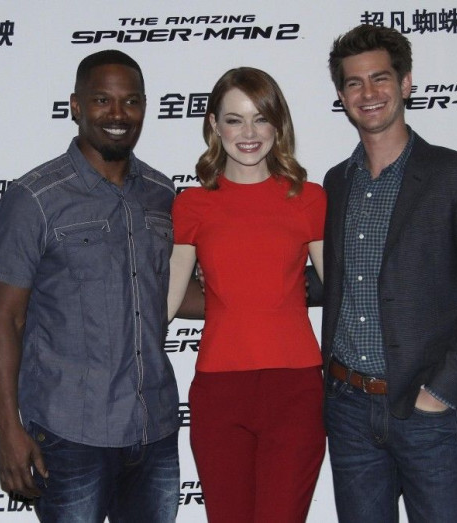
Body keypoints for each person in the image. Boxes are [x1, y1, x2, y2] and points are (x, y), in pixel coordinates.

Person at [319, 24, 457, 522]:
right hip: (347, 409)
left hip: (424, 409)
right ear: (341, 96)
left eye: (380, 79)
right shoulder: (336, 183)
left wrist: (444, 391)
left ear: (405, 84)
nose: (369, 93)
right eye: (354, 83)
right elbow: (339, 281)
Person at [0, 50, 182, 522]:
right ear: (76, 106)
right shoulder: (34, 198)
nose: (118, 114)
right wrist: (8, 431)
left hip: (153, 429)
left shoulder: (161, 193)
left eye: (131, 101)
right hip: (69, 435)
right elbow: (5, 322)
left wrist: (278, 289)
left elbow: (171, 292)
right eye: (102, 100)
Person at [167, 67, 327, 523]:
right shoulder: (192, 205)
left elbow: (344, 291)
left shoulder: (309, 198)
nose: (249, 133)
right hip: (219, 391)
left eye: (261, 118)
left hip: (294, 389)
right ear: (215, 126)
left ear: (278, 124)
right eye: (235, 119)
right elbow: (166, 303)